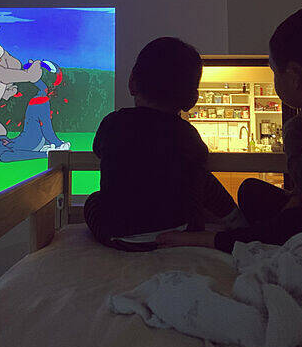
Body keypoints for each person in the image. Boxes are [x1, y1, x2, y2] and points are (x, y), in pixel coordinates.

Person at [156, 6, 302, 253]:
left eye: (273, 71)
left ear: (294, 76)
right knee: (252, 191)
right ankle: (260, 232)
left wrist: (292, 130)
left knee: (293, 221)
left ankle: (216, 240)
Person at [84, 37, 247, 251]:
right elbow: (200, 169)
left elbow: (98, 149)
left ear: (132, 82)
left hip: (119, 234)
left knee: (94, 201)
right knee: (201, 179)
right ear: (192, 99)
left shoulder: (113, 123)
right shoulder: (187, 135)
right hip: (179, 230)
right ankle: (236, 220)